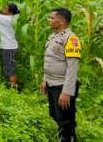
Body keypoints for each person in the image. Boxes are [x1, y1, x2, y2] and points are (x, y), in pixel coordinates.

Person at [41, 8, 81, 142]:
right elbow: (50, 59)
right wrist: (45, 80)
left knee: (65, 119)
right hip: (52, 83)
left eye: (52, 18)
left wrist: (67, 92)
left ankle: (68, 137)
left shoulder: (71, 39)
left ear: (62, 21)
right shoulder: (53, 36)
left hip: (63, 85)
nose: (49, 20)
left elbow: (72, 67)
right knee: (54, 113)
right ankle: (66, 134)